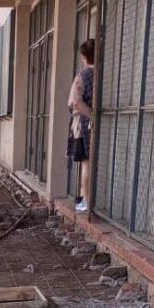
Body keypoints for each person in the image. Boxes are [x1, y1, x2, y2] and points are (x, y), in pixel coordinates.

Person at [67, 39, 95, 213]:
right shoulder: (104, 74)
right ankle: (90, 199)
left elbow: (75, 102)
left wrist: (92, 115)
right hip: (99, 123)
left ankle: (86, 199)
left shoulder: (82, 76)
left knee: (86, 162)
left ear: (84, 56)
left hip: (84, 124)